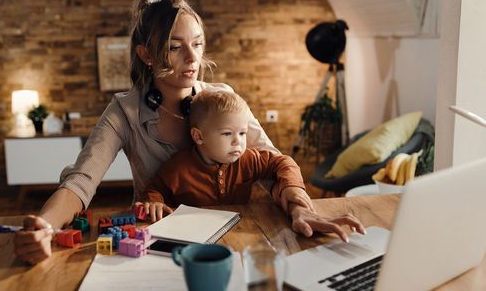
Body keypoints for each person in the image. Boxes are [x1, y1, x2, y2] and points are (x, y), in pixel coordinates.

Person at [13, 0, 362, 265]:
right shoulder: (124, 110)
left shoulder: (222, 98)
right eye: (174, 48)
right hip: (155, 243)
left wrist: (301, 207)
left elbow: (273, 163)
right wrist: (45, 227)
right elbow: (80, 181)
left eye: (197, 44)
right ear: (146, 55)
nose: (192, 59)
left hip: (233, 238)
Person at [136, 91, 364, 233]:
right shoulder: (177, 168)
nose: (238, 142)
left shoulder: (248, 159)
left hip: (242, 230)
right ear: (198, 136)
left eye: (243, 133)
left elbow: (283, 162)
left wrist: (293, 189)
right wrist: (152, 202)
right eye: (227, 134)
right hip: (193, 238)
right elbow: (154, 190)